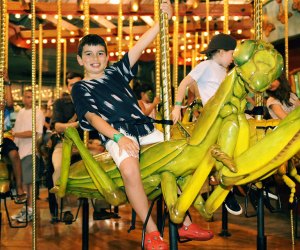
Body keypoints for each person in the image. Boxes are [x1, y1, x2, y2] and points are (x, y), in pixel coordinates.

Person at [71, 2, 213, 249]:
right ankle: (152, 232)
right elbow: (93, 117)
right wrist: (117, 138)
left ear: (107, 55)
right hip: (118, 132)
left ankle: (185, 223)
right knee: (129, 169)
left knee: (178, 162)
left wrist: (162, 21)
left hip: (145, 128)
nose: (95, 59)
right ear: (80, 60)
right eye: (89, 54)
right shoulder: (81, 88)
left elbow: (139, 46)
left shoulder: (116, 72)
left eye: (100, 53)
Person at [171, 33, 243, 216]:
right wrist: (177, 107)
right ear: (220, 52)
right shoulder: (206, 65)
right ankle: (225, 190)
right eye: (231, 54)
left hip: (225, 113)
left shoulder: (224, 71)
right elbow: (183, 84)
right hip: (212, 116)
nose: (232, 58)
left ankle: (253, 182)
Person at [50, 72, 108, 224]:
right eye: (72, 85)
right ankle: (65, 209)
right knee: (58, 170)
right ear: (67, 87)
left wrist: (99, 142)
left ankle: (100, 207)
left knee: (103, 165)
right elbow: (57, 126)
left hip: (87, 145)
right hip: (66, 144)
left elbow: (101, 127)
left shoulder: (92, 103)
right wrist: (76, 124)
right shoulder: (60, 103)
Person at [11, 89, 45, 222]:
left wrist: (15, 134)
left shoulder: (38, 112)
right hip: (20, 150)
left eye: (31, 97)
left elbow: (34, 132)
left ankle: (30, 210)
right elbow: (17, 129)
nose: (28, 99)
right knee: (24, 183)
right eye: (26, 97)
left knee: (29, 183)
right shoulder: (21, 112)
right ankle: (26, 209)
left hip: (30, 150)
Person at [0, 69, 26, 204]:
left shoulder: (5, 102)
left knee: (15, 154)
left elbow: (10, 104)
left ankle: (19, 187)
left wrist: (7, 82)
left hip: (4, 136)